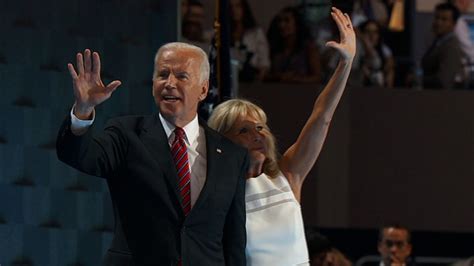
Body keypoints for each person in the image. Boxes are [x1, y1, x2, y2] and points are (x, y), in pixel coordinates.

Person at [56, 42, 249, 265]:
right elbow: (81, 155)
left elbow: (234, 240)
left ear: (203, 89)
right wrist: (83, 109)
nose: (169, 83)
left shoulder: (232, 156)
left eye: (182, 76)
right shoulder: (126, 134)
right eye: (163, 74)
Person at [208, 7, 355, 265]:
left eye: (261, 127)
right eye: (244, 130)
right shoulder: (212, 193)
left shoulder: (288, 175)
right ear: (222, 142)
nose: (257, 134)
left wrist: (345, 64)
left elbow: (322, 117)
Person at [266, 6, 321, 83]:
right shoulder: (274, 46)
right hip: (278, 91)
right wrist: (279, 77)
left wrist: (295, 79)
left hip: (304, 92)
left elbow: (317, 77)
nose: (281, 25)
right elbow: (265, 75)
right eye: (279, 21)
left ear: (296, 24)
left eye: (287, 20)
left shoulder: (309, 47)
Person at [421, 2, 464, 89]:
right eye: (437, 18)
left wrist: (418, 80)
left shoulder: (451, 46)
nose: (438, 22)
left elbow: (444, 82)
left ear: (453, 24)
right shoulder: (438, 42)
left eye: (444, 19)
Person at [229, 0, 270, 82]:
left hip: (251, 79)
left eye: (238, 6)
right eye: (230, 7)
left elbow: (264, 62)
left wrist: (258, 79)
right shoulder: (221, 33)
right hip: (229, 78)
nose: (234, 10)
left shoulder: (256, 33)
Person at [359, 19, 395, 88]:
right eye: (368, 31)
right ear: (363, 33)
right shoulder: (357, 48)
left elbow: (388, 66)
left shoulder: (384, 50)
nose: (371, 35)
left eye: (375, 32)